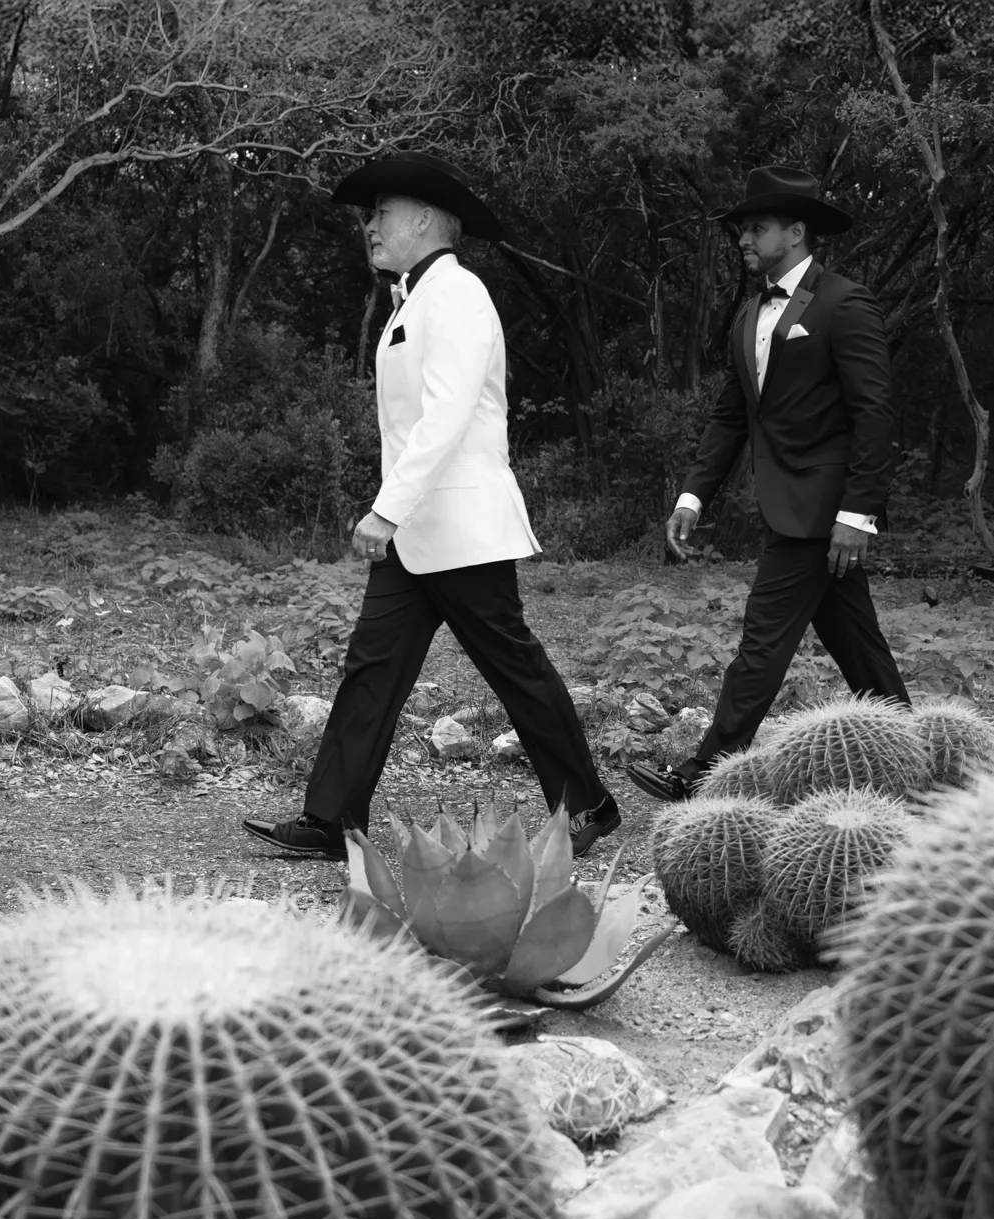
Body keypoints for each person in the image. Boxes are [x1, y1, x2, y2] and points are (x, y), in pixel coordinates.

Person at [244, 152, 620, 859]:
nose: (370, 227)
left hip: (462, 530)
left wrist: (386, 508)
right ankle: (331, 820)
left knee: (516, 670)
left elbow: (446, 416)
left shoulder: (457, 293)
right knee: (371, 669)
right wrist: (398, 513)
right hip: (418, 531)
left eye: (380, 214)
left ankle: (590, 806)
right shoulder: (413, 299)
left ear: (422, 220)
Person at [625, 165, 909, 804]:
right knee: (859, 648)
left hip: (823, 511)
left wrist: (858, 512)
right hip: (788, 504)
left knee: (762, 643)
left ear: (797, 232)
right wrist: (693, 495)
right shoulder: (749, 312)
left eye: (756, 227)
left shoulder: (845, 302)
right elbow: (734, 413)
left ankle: (706, 773)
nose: (743, 239)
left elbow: (874, 414)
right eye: (742, 229)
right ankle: (919, 761)